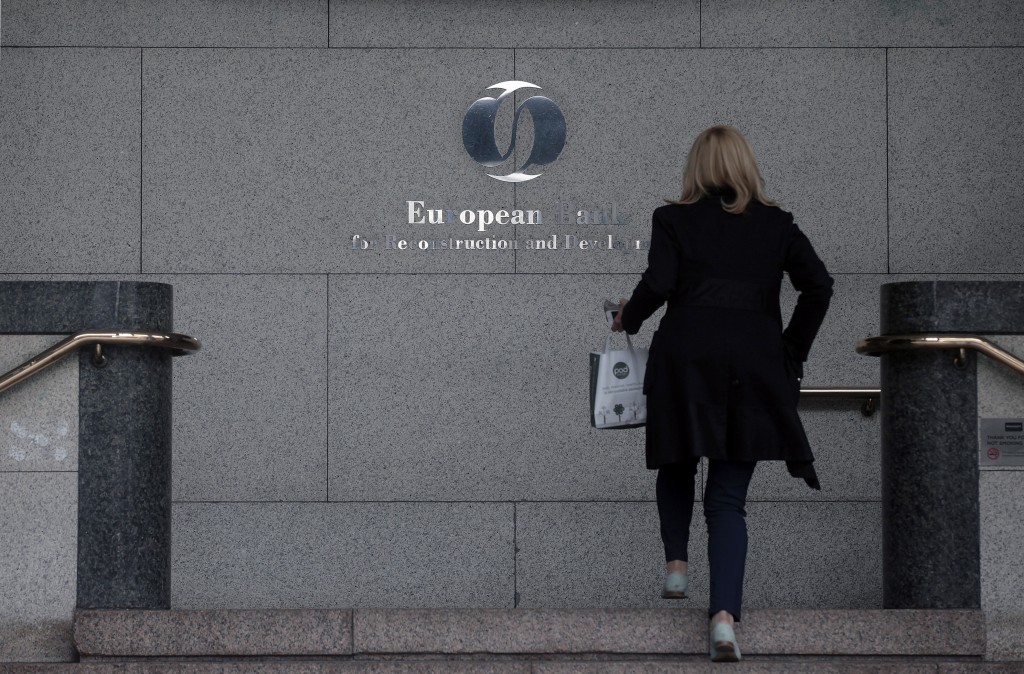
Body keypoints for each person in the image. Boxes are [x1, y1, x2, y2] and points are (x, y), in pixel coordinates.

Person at [611, 125, 833, 663]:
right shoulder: (776, 224)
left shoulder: (673, 218)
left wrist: (628, 318)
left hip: (686, 359)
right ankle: (725, 621)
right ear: (745, 166)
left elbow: (659, 283)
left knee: (677, 462)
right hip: (754, 366)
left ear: (696, 169)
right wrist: (789, 351)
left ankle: (677, 568)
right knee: (729, 499)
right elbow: (819, 285)